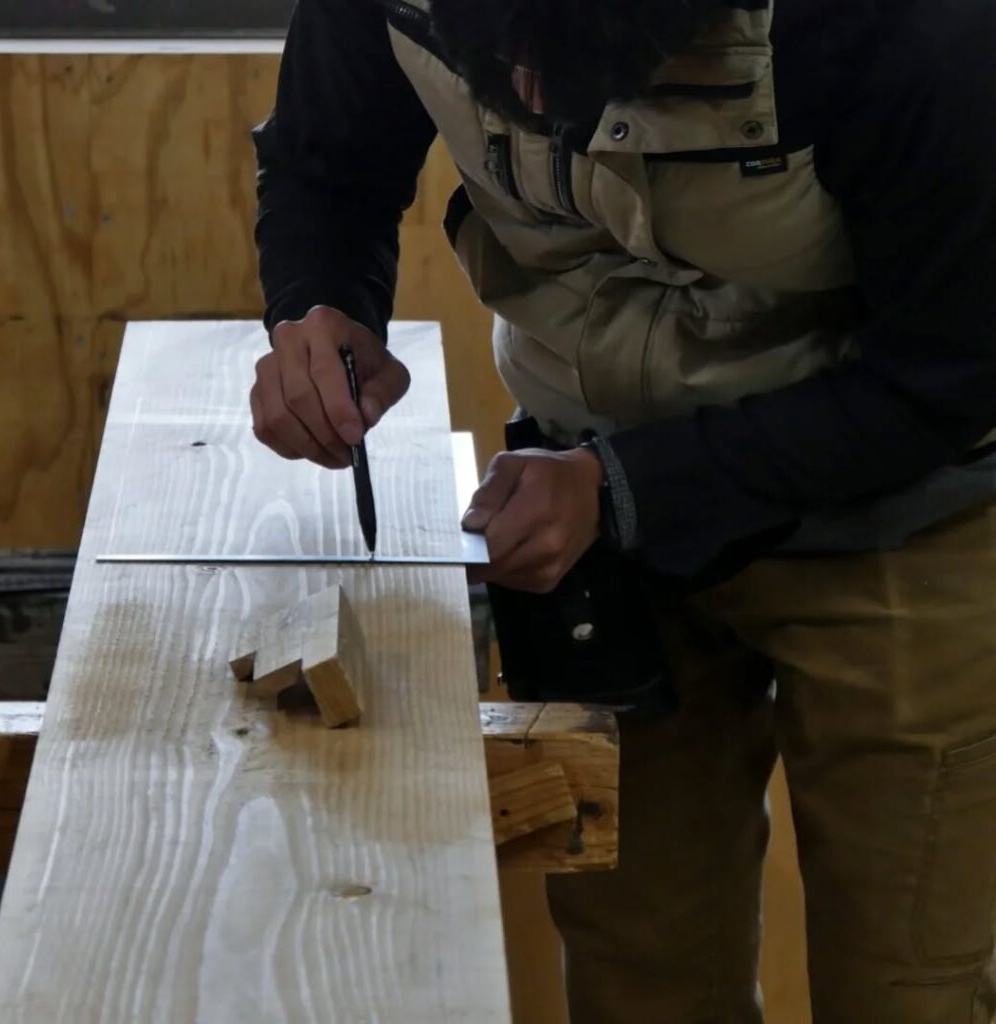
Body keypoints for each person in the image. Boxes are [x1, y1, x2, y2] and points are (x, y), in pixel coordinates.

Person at [249, 1, 996, 1020]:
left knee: (910, 991)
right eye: (498, 64)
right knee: (641, 982)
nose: (531, 101)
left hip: (902, 514)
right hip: (600, 527)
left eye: (566, 69)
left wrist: (625, 486)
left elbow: (952, 372)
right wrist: (320, 298)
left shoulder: (915, 30)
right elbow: (325, 164)